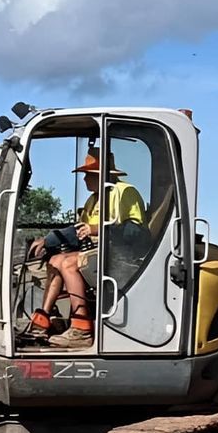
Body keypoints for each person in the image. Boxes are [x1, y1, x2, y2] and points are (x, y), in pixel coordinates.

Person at [26, 147, 145, 349]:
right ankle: (43, 320)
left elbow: (136, 232)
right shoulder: (93, 200)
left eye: (88, 174)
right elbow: (79, 231)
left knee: (70, 264)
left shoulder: (125, 192)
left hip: (122, 254)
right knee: (55, 261)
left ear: (101, 175)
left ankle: (81, 328)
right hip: (97, 252)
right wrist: (48, 240)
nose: (84, 179)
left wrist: (98, 229)